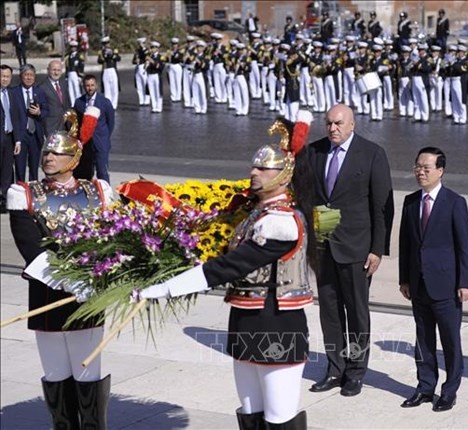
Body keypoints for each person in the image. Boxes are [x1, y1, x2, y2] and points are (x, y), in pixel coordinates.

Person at [138, 111, 317, 429]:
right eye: (254, 166)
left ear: (284, 174)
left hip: (278, 325)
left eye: (263, 168)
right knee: (249, 413)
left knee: (279, 417)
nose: (254, 172)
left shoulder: (282, 222)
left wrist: (168, 287)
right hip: (245, 321)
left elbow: (232, 265)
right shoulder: (256, 214)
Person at [7, 114, 114, 428]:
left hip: (89, 293)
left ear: (74, 157)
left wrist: (98, 277)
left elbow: (112, 238)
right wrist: (68, 281)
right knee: (56, 372)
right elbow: (30, 248)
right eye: (46, 153)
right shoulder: (24, 193)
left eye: (56, 153)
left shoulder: (99, 191)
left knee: (87, 372)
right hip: (47, 291)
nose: (48, 157)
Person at [307, 104, 394, 397]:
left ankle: (356, 371)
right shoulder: (314, 151)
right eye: (329, 123)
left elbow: (382, 206)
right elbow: (309, 197)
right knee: (329, 311)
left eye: (339, 123)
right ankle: (335, 368)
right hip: (324, 243)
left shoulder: (371, 154)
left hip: (357, 247)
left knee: (356, 312)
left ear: (352, 125)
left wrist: (377, 249)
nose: (333, 128)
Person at [398, 146, 468, 412]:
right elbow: (405, 244)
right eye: (417, 166)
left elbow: (464, 246)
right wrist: (404, 279)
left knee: (450, 340)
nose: (420, 172)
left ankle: (450, 390)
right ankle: (425, 386)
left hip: (446, 285)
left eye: (426, 168)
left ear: (440, 171)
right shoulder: (410, 201)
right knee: (423, 339)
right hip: (418, 284)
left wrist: (466, 282)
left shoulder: (455, 202)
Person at [73, 75, 115, 183]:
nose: (90, 88)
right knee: (85, 172)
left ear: (96, 85)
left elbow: (110, 123)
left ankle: (105, 196)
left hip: (100, 142)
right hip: (85, 145)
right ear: (83, 86)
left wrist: (104, 137)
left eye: (92, 85)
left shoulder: (105, 102)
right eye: (87, 85)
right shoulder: (78, 102)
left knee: (102, 171)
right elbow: (76, 122)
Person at [10, 64, 48, 182]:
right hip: (20, 135)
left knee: (34, 167)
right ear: (21, 76)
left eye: (31, 75)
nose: (29, 78)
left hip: (35, 134)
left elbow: (46, 110)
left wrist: (39, 112)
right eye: (26, 75)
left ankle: (33, 193)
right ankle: (21, 192)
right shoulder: (14, 92)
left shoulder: (39, 91)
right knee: (20, 168)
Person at [1, 65, 20, 213]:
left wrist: (17, 140)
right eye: (2, 76)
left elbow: (16, 118)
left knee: (8, 170)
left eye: (7, 76)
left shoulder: (12, 93)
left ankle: (6, 200)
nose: (5, 79)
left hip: (9, 138)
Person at [39, 59, 71, 137]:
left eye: (58, 70)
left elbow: (67, 104)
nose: (56, 73)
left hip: (65, 126)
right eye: (54, 70)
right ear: (48, 70)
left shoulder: (64, 84)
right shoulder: (42, 87)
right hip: (50, 127)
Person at [97, 36, 121, 110]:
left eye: (107, 43)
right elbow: (99, 61)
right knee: (107, 89)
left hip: (112, 69)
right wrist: (105, 55)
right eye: (105, 44)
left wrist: (112, 55)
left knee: (114, 88)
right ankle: (108, 104)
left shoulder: (114, 50)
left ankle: (114, 104)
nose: (106, 45)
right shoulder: (101, 52)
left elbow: (118, 58)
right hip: (105, 70)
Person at [64, 40, 85, 106]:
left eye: (74, 47)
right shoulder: (68, 56)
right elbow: (67, 66)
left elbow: (81, 66)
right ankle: (73, 104)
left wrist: (80, 76)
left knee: (77, 89)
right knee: (70, 90)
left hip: (76, 73)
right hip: (70, 73)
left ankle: (79, 104)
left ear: (76, 47)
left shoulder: (79, 56)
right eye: (72, 47)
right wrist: (66, 76)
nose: (73, 48)